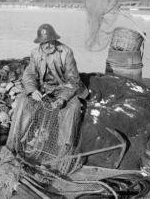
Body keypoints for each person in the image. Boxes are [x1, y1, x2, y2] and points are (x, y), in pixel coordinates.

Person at [6, 23, 89, 156]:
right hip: (43, 89)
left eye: (50, 41)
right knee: (23, 101)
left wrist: (63, 98)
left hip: (63, 88)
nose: (48, 45)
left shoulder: (66, 52)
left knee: (73, 106)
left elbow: (73, 79)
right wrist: (33, 91)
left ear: (54, 40)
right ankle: (13, 145)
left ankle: (63, 150)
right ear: (40, 42)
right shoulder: (35, 53)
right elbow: (29, 75)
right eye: (44, 43)